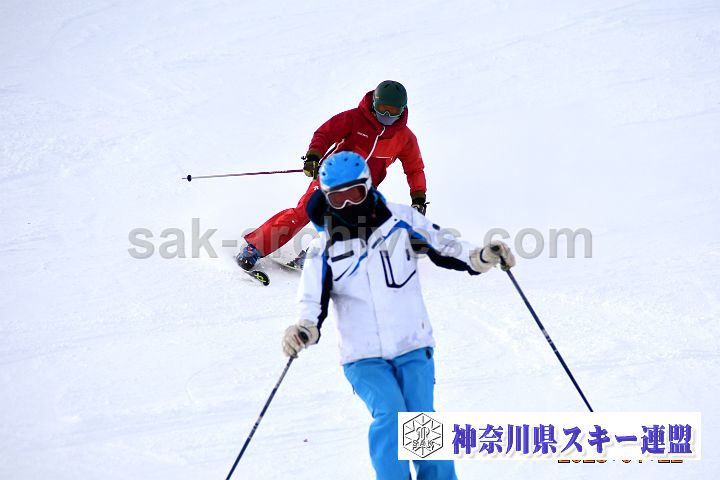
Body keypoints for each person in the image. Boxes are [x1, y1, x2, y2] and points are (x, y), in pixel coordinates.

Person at [281, 152, 516, 480]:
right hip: (362, 357)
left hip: (412, 345)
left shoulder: (401, 222)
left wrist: (480, 256)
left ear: (368, 187)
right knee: (392, 415)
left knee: (421, 423)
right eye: (337, 198)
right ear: (326, 198)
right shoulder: (324, 249)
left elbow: (445, 245)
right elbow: (311, 301)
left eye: (355, 195)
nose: (347, 205)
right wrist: (304, 328)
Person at [236, 80, 429, 271]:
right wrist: (313, 156)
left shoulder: (405, 138)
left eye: (393, 111)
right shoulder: (354, 118)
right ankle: (254, 248)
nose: (387, 116)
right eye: (383, 109)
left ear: (402, 110)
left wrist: (418, 198)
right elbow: (325, 134)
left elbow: (414, 168)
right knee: (304, 212)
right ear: (374, 103)